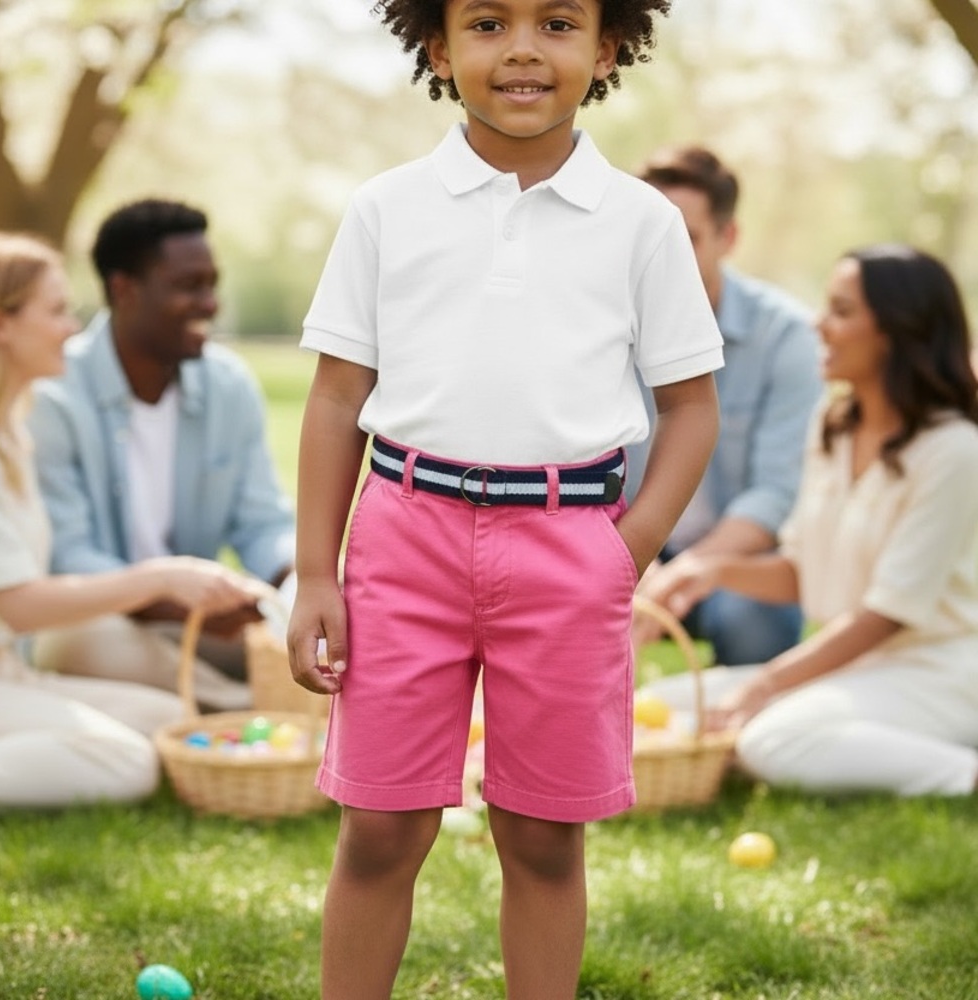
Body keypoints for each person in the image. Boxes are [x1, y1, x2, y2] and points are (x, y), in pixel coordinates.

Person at [287, 1, 723, 997]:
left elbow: (690, 410)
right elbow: (337, 399)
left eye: (557, 22)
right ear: (438, 48)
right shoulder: (386, 208)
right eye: (487, 21)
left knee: (541, 837)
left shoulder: (643, 223)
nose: (522, 48)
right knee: (379, 828)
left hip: (569, 548)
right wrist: (317, 571)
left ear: (607, 47)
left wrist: (627, 549)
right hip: (403, 538)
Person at [644, 244, 978, 797]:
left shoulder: (955, 452)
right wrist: (714, 572)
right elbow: (803, 571)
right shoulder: (835, 426)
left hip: (937, 674)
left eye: (842, 311)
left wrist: (768, 685)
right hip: (858, 668)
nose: (818, 324)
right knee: (664, 702)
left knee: (771, 739)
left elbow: (886, 613)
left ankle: (963, 772)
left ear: (898, 331)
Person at [0, 232, 264, 811]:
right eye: (56, 310)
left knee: (166, 719)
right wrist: (161, 578)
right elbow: (16, 605)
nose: (71, 327)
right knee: (125, 758)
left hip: (4, 671)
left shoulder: (10, 434)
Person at [27, 199, 296, 710]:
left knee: (337, 617)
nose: (210, 304)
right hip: (106, 625)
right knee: (86, 641)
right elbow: (66, 555)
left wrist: (301, 584)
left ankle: (244, 703)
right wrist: (172, 599)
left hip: (205, 628)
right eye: (188, 286)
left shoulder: (228, 385)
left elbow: (263, 524)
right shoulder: (53, 395)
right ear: (124, 290)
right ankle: (249, 709)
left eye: (211, 284)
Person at [627, 145, 823, 665]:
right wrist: (637, 569)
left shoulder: (786, 336)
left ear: (727, 238)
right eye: (648, 238)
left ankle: (734, 738)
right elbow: (580, 465)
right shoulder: (599, 328)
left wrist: (683, 575)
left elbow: (775, 494)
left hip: (730, 560)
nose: (659, 256)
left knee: (753, 619)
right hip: (624, 546)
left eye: (684, 239)